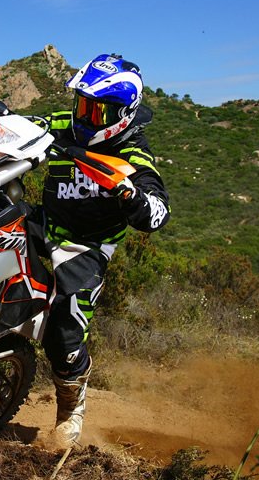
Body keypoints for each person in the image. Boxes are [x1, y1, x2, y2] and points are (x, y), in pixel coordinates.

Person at [39, 53, 170, 447]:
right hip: (45, 221)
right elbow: (33, 125)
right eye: (81, 105)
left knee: (65, 331)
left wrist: (131, 195)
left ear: (123, 116)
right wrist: (1, 119)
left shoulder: (133, 153)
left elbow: (159, 210)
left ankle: (70, 407)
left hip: (86, 245)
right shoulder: (65, 124)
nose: (84, 117)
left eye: (96, 112)